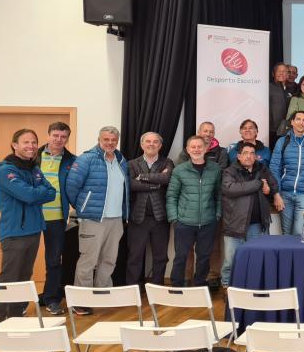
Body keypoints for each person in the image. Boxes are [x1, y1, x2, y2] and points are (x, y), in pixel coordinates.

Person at [0, 129, 56, 325]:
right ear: (14, 145)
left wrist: (35, 192)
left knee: (24, 276)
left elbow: (51, 192)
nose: (31, 146)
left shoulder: (34, 168)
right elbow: (29, 195)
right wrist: (37, 192)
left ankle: (16, 315)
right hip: (15, 232)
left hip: (34, 229)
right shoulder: (6, 171)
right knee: (10, 277)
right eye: (26, 142)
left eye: (34, 142)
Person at [65, 126, 130, 314]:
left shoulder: (121, 160)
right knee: (88, 260)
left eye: (113, 140)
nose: (110, 143)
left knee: (109, 260)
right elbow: (72, 186)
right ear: (99, 139)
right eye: (106, 139)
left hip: (116, 219)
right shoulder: (86, 159)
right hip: (93, 219)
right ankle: (81, 300)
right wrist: (83, 208)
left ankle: (102, 295)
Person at [220, 141, 280, 287]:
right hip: (235, 223)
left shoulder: (262, 168)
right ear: (239, 156)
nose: (249, 156)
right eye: (245, 153)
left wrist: (272, 192)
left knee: (259, 257)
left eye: (252, 153)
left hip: (257, 223)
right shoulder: (230, 171)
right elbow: (231, 189)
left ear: (256, 157)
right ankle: (227, 287)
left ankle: (255, 286)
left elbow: (272, 184)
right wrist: (259, 184)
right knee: (231, 259)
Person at [167, 135, 222, 287]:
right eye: (193, 147)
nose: (196, 150)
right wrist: (174, 219)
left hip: (208, 221)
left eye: (199, 147)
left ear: (205, 149)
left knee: (204, 256)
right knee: (181, 256)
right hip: (184, 222)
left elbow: (219, 195)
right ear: (188, 150)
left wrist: (217, 215)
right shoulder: (180, 170)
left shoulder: (215, 169)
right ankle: (177, 286)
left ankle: (199, 285)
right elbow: (172, 195)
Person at [36, 122, 75, 315]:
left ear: (67, 138)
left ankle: (51, 298)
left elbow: (76, 186)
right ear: (49, 135)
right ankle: (16, 300)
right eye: (55, 135)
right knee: (25, 259)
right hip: (32, 216)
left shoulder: (72, 160)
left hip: (57, 217)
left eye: (63, 137)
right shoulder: (33, 156)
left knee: (53, 260)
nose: (59, 140)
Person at [126, 132, 174, 287]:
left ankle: (157, 288)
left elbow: (166, 179)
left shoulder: (168, 162)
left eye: (155, 142)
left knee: (160, 257)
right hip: (138, 218)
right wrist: (156, 182)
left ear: (160, 145)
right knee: (135, 256)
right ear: (142, 144)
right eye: (148, 141)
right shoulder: (132, 164)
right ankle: (133, 288)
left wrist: (142, 177)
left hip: (160, 218)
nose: (151, 144)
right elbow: (131, 184)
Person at [270, 110, 304, 235]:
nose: (301, 122)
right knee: (286, 234)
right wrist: (276, 194)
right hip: (285, 194)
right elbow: (274, 168)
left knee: (300, 233)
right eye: (298, 119)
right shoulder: (283, 142)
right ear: (292, 122)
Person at [269, 62, 293, 148]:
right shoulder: (268, 87)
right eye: (279, 71)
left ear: (287, 74)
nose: (282, 73)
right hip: (272, 130)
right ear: (273, 73)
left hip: (289, 130)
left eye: (284, 71)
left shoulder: (293, 89)